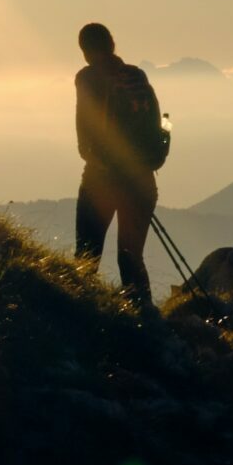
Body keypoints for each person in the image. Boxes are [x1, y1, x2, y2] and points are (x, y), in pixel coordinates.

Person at [72, 22, 166, 306]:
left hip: (101, 180)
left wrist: (95, 159)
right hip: (142, 181)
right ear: (112, 44)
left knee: (87, 256)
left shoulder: (87, 78)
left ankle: (82, 316)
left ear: (85, 51)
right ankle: (145, 320)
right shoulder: (137, 76)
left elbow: (84, 131)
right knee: (131, 257)